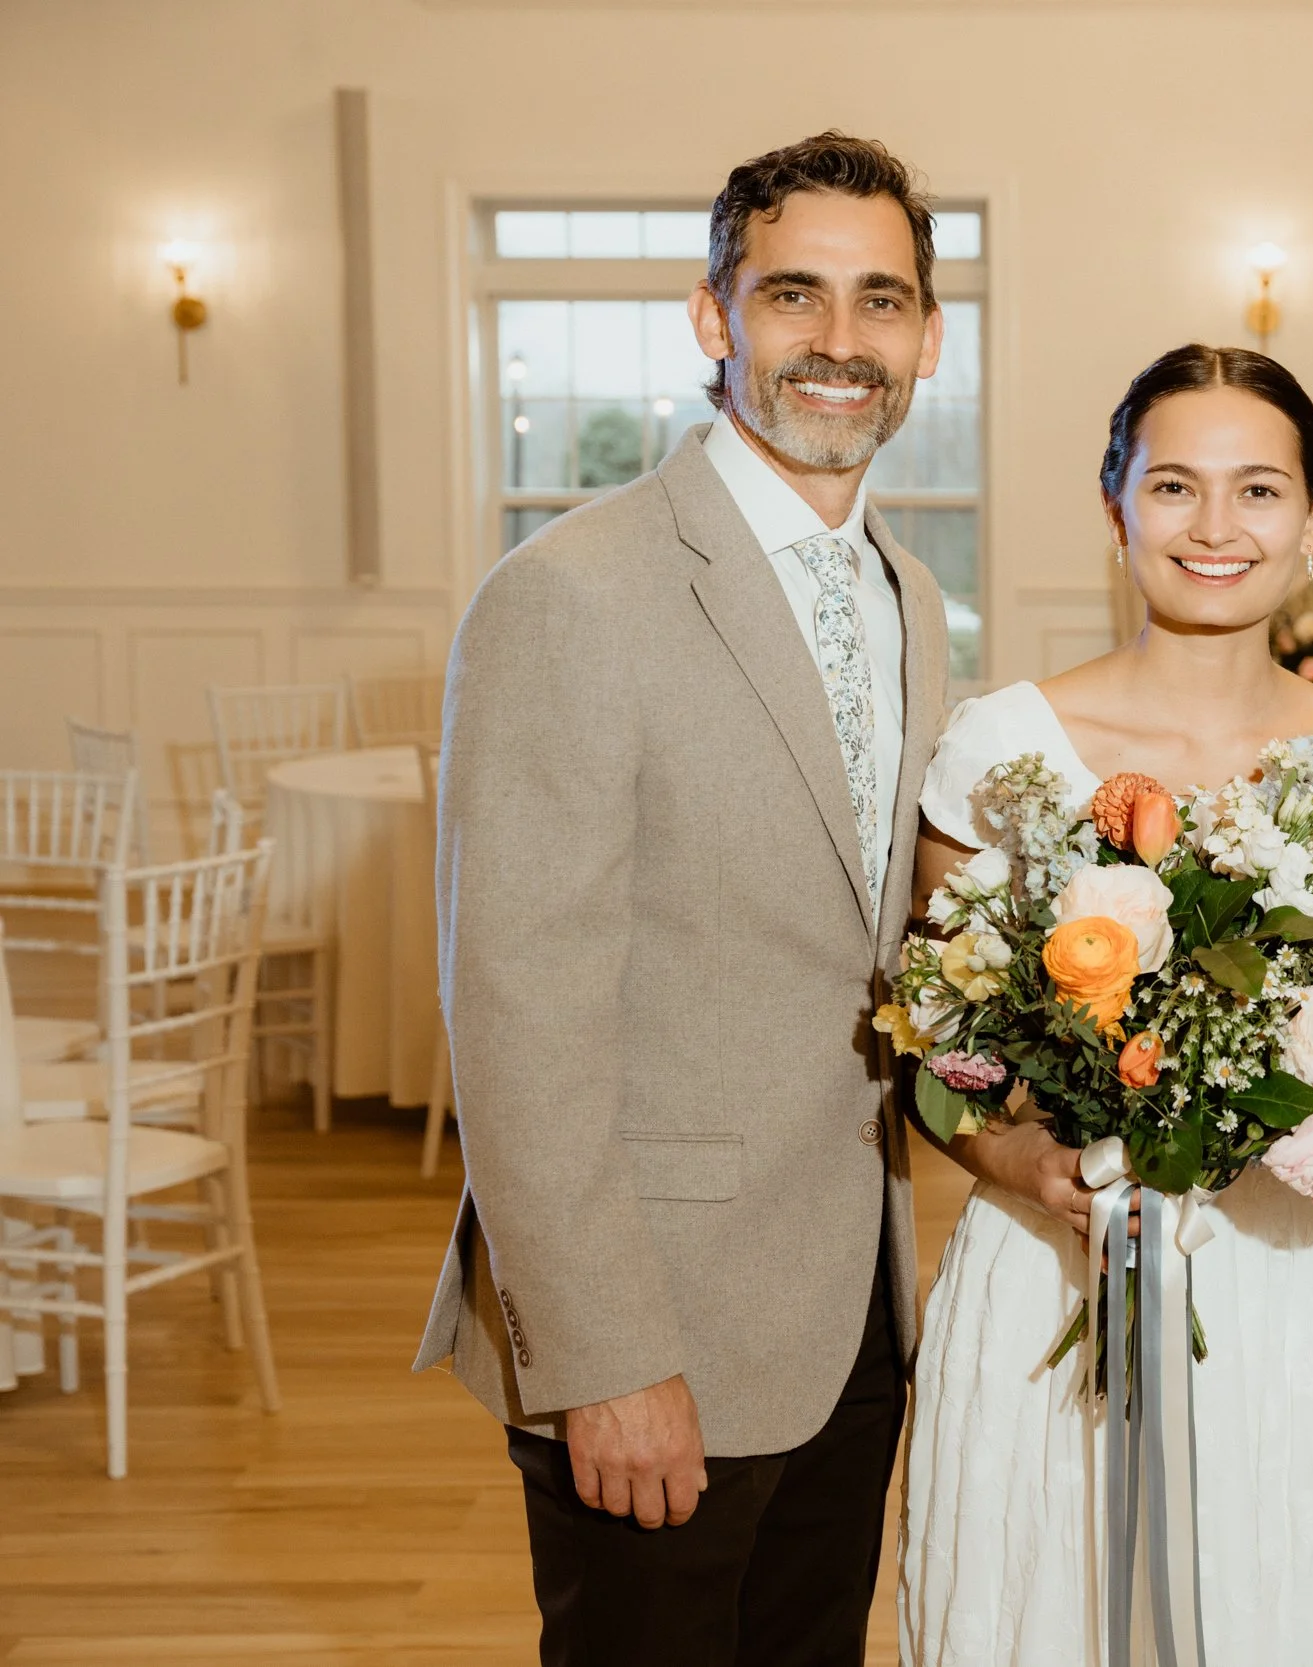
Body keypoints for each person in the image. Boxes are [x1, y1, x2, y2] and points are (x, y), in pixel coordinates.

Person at [413, 130, 954, 1667]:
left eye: (882, 301)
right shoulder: (570, 596)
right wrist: (605, 1354)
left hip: (852, 1306)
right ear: (716, 317)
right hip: (656, 1326)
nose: (842, 344)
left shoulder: (909, 598)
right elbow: (517, 1014)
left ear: (927, 334)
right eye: (796, 296)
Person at [896, 345, 1313, 1667]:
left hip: (1286, 1285)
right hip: (1053, 1277)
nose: (1216, 528)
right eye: (1174, 485)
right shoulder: (1003, 746)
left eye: (1258, 490)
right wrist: (1029, 1158)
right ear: (1114, 503)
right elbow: (935, 1051)